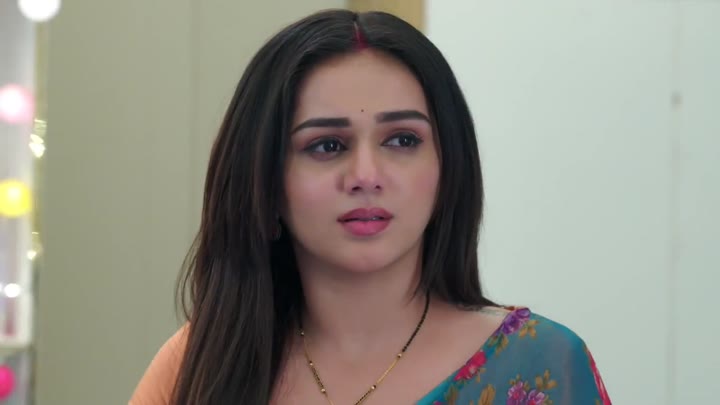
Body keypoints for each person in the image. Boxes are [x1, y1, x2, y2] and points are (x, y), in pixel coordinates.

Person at [130, 8, 611, 405]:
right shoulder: (200, 364)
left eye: (402, 140)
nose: (366, 175)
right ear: (265, 183)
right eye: (327, 145)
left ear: (449, 167)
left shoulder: (541, 365)